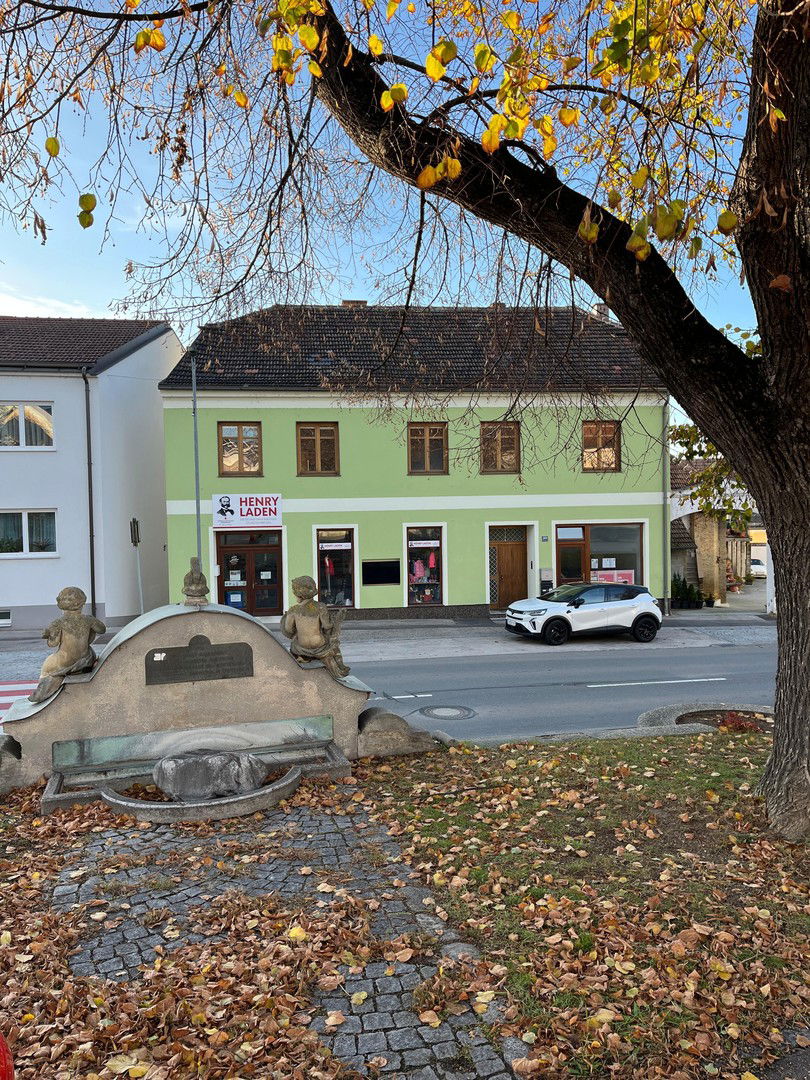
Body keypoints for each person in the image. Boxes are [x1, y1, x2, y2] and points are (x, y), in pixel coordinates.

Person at [29, 587, 106, 704]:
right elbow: (102, 630)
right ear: (82, 603)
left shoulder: (58, 622)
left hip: (65, 661)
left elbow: (53, 643)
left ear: (60, 604)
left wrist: (48, 635)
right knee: (87, 650)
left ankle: (42, 692)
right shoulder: (88, 619)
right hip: (86, 658)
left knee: (47, 666)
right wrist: (92, 624)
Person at [280, 575, 350, 680]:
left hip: (301, 647)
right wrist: (335, 621)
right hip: (319, 645)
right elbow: (327, 627)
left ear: (299, 594)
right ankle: (337, 669)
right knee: (332, 644)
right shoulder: (320, 607)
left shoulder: (293, 610)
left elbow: (288, 630)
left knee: (294, 642)